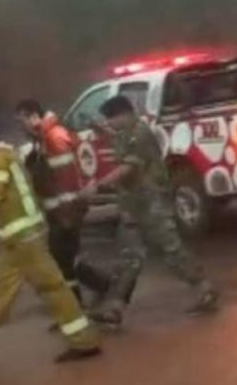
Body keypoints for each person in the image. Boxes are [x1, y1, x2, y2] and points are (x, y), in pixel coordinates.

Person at [0, 118, 101, 369]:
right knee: (1, 291)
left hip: (23, 238)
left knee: (50, 288)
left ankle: (84, 341)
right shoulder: (1, 154)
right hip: (17, 240)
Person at [79, 96, 218, 326]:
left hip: (152, 202)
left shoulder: (141, 134)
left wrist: (98, 185)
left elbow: (128, 167)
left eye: (111, 118)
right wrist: (100, 129)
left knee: (171, 250)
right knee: (129, 257)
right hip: (132, 204)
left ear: (124, 114)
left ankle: (205, 289)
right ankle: (115, 308)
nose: (110, 123)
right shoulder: (124, 132)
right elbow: (115, 137)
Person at [15, 100, 110, 306]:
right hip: (58, 211)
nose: (20, 125)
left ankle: (85, 299)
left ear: (33, 116)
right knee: (64, 258)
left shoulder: (53, 137)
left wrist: (67, 213)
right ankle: (95, 290)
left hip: (66, 211)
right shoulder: (42, 139)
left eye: (22, 119)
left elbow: (67, 177)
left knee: (62, 258)